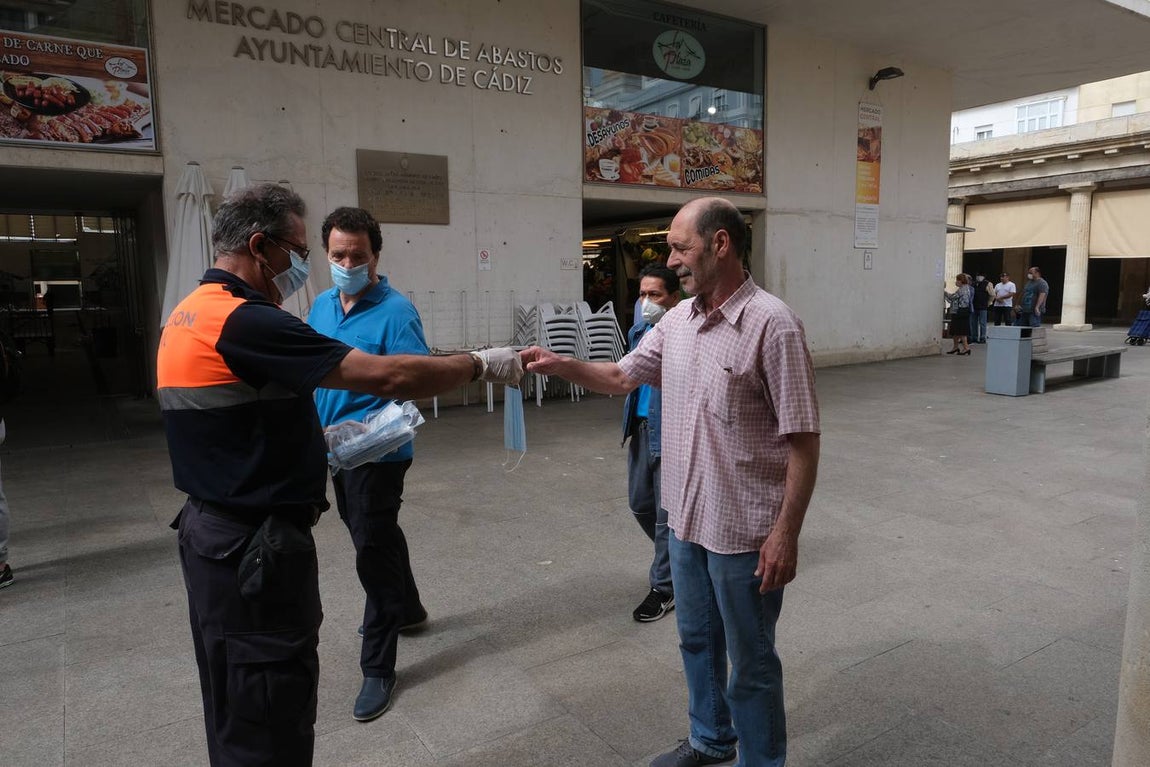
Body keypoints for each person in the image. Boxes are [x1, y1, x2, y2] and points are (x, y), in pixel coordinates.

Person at [157, 184, 522, 767]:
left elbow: (388, 379)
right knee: (268, 711)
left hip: (225, 531)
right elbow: (386, 376)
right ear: (261, 246)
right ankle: (400, 616)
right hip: (254, 547)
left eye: (355, 255)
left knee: (238, 696)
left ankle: (394, 631)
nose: (317, 264)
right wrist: (482, 364)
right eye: (305, 250)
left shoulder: (191, 309)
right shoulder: (253, 320)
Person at [523, 197, 820, 767]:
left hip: (745, 534)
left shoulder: (773, 325)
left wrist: (787, 532)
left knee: (752, 661)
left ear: (721, 245)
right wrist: (558, 364)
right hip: (683, 522)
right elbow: (619, 375)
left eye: (681, 247)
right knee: (697, 642)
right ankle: (711, 739)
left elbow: (804, 440)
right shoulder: (676, 323)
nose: (672, 259)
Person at [306, 207, 431, 722]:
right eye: (338, 255)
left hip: (378, 453)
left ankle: (378, 665)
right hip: (333, 449)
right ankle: (410, 609)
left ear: (375, 255)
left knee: (371, 548)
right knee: (373, 530)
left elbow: (415, 379)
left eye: (358, 255)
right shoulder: (319, 305)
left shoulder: (396, 311)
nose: (347, 262)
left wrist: (371, 425)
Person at [622, 264, 681, 623]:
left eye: (654, 295)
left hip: (669, 429)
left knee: (664, 515)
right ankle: (680, 557)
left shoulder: (682, 333)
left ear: (674, 298)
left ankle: (665, 587)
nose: (646, 302)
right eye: (642, 294)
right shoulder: (638, 330)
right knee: (640, 505)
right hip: (641, 427)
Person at [944, 274, 973, 355]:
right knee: (956, 331)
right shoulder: (966, 288)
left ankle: (966, 348)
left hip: (960, 312)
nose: (956, 282)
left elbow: (952, 297)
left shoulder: (962, 290)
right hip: (962, 311)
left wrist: (944, 292)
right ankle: (956, 347)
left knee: (961, 331)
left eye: (957, 280)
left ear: (961, 281)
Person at [969, 273, 993, 343]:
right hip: (974, 306)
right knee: (973, 322)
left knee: (982, 323)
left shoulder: (988, 284)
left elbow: (992, 295)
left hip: (983, 306)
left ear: (984, 277)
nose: (979, 277)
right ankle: (974, 337)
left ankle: (983, 337)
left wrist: (988, 303)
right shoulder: (973, 283)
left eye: (980, 276)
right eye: (977, 276)